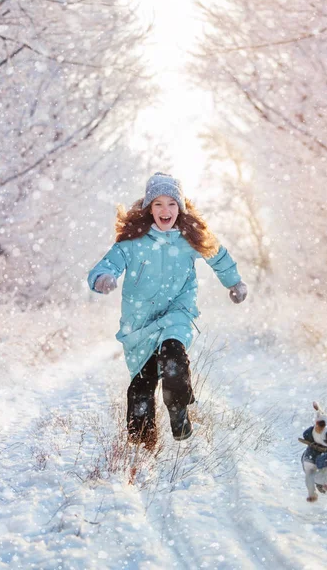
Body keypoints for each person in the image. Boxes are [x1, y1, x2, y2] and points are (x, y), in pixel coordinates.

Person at [88, 172, 248, 448]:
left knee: (174, 357)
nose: (166, 211)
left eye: (171, 204)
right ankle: (142, 448)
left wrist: (234, 282)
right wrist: (104, 279)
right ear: (149, 208)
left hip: (178, 312)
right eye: (158, 204)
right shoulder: (133, 242)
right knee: (141, 386)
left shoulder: (189, 239)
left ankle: (179, 411)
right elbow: (106, 266)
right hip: (139, 323)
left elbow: (218, 256)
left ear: (180, 207)